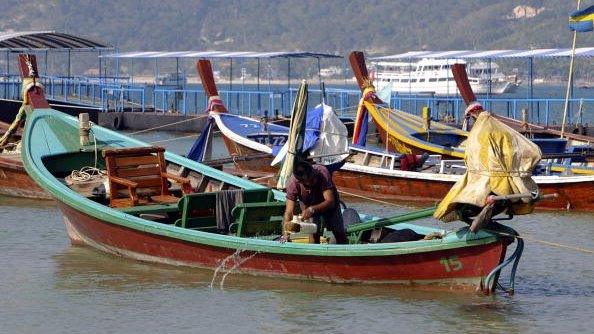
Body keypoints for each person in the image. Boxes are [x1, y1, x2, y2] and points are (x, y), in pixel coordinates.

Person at [283, 160, 348, 244]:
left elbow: (330, 201)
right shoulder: (293, 184)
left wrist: (312, 209)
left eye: (314, 176)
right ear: (301, 182)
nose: (315, 180)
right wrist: (286, 234)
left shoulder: (322, 172)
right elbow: (289, 212)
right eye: (311, 180)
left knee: (338, 231)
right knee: (313, 232)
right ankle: (314, 254)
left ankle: (343, 252)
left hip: (328, 204)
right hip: (308, 204)